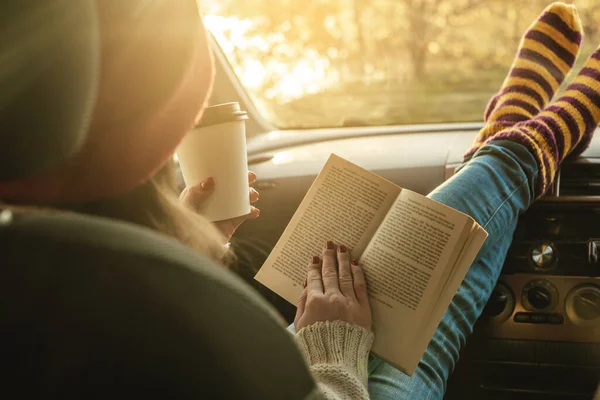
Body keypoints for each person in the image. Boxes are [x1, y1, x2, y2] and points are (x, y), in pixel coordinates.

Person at [1, 1, 597, 399]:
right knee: (418, 314)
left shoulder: (31, 261)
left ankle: (511, 138)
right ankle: (526, 148)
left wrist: (179, 244)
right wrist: (331, 354)